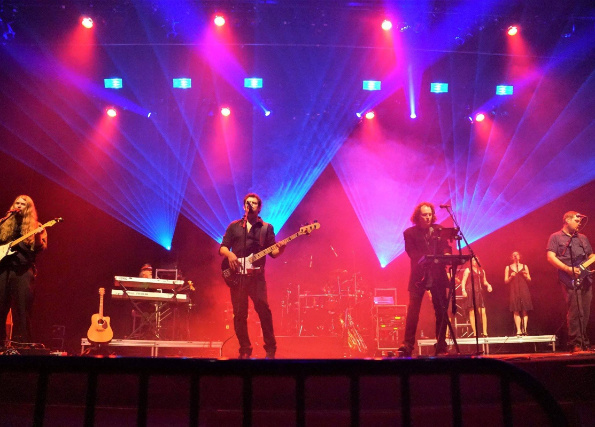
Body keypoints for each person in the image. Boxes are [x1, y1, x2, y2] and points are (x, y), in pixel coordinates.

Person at [219, 193, 285, 359]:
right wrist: (230, 255)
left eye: (254, 203)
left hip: (257, 277)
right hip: (237, 277)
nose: (251, 205)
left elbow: (273, 253)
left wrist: (281, 248)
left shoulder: (266, 228)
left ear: (259, 207)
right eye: (248, 203)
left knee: (264, 311)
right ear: (244, 207)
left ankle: (270, 349)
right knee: (239, 314)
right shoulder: (234, 226)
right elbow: (223, 248)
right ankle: (245, 348)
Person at [398, 202, 452, 357]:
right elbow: (412, 253)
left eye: (430, 214)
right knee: (413, 311)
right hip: (419, 276)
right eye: (424, 215)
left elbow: (446, 246)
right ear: (418, 216)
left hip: (437, 275)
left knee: (441, 310)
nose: (428, 217)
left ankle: (441, 344)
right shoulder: (409, 233)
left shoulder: (439, 229)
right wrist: (427, 259)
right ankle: (408, 344)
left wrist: (447, 254)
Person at [0, 195, 47, 346]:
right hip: (3, 270)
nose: (19, 206)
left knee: (22, 308)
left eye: (23, 204)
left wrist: (38, 235)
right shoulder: (3, 223)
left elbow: (39, 248)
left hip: (23, 270)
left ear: (28, 209)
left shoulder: (36, 226)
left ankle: (23, 344)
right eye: (17, 203)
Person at [547, 211, 594, 352]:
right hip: (568, 278)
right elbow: (550, 257)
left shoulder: (582, 238)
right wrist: (567, 269)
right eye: (576, 220)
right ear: (567, 220)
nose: (579, 223)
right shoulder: (555, 237)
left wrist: (589, 263)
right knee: (575, 310)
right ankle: (575, 343)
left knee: (585, 311)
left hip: (585, 278)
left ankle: (584, 342)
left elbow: (590, 255)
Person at [461, 257, 492, 337]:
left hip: (479, 292)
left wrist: (488, 285)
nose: (475, 261)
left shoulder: (481, 270)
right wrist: (463, 290)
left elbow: (484, 281)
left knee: (483, 312)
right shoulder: (468, 270)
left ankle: (485, 332)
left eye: (476, 260)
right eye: (473, 260)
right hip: (470, 291)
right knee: (472, 312)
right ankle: (475, 333)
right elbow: (463, 281)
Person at [505, 251, 532, 336]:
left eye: (517, 255)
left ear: (519, 256)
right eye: (513, 255)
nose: (515, 256)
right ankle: (518, 330)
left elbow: (529, 279)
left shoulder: (524, 266)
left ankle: (525, 329)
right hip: (514, 290)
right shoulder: (508, 267)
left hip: (523, 289)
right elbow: (506, 281)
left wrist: (526, 276)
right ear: (511, 257)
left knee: (525, 309)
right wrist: (511, 276)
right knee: (516, 309)